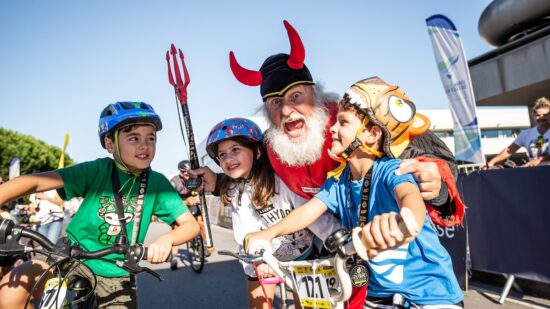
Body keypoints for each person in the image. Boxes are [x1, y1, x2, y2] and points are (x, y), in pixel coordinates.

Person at [192, 20, 465, 308]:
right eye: (274, 102)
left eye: (295, 96)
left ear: (316, 95)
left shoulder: (352, 118)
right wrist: (217, 182)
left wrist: (434, 177)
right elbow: (256, 178)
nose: (286, 110)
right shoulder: (274, 148)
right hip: (331, 251)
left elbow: (413, 148)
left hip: (408, 264)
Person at [245, 77, 464, 308]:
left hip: (429, 295)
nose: (333, 128)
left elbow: (409, 197)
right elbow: (307, 211)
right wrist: (268, 233)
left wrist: (405, 222)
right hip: (378, 295)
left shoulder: (391, 169)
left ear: (372, 134)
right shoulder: (338, 180)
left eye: (343, 122)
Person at [0, 101, 200, 308]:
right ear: (110, 144)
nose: (145, 145)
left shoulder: (157, 183)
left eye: (151, 138)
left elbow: (190, 225)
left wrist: (167, 239)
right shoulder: (96, 170)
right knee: (10, 293)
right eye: (133, 138)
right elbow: (34, 181)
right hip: (68, 254)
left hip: (116, 271)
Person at [204, 117, 340, 309]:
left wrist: (340, 240)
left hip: (303, 256)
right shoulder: (234, 190)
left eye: (236, 150)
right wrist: (259, 259)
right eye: (222, 155)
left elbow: (313, 214)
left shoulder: (282, 180)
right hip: (262, 262)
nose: (228, 159)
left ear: (257, 151)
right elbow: (245, 232)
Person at [169, 160, 214, 269]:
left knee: (201, 224)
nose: (189, 176)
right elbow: (170, 202)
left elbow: (205, 190)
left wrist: (200, 196)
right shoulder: (174, 182)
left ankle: (203, 243)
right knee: (176, 229)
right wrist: (186, 202)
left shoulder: (196, 178)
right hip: (179, 205)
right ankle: (174, 256)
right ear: (180, 173)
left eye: (191, 172)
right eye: (186, 174)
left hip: (193, 204)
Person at [485, 97, 550, 168]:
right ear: (533, 116)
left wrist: (540, 160)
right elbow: (509, 150)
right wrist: (491, 162)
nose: (541, 117)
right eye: (538, 115)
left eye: (545, 115)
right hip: (534, 174)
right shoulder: (526, 134)